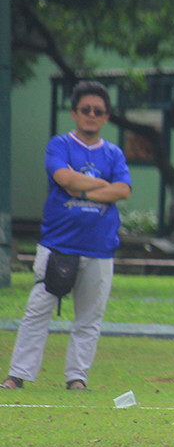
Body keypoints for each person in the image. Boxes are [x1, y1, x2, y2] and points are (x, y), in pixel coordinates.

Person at [2, 80, 132, 391]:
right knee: (37, 312)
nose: (91, 115)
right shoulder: (59, 145)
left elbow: (123, 190)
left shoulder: (113, 153)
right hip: (58, 246)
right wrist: (103, 187)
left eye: (98, 111)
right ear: (74, 113)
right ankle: (17, 375)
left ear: (106, 117)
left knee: (89, 318)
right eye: (85, 109)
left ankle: (76, 378)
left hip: (99, 248)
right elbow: (63, 178)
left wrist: (82, 186)